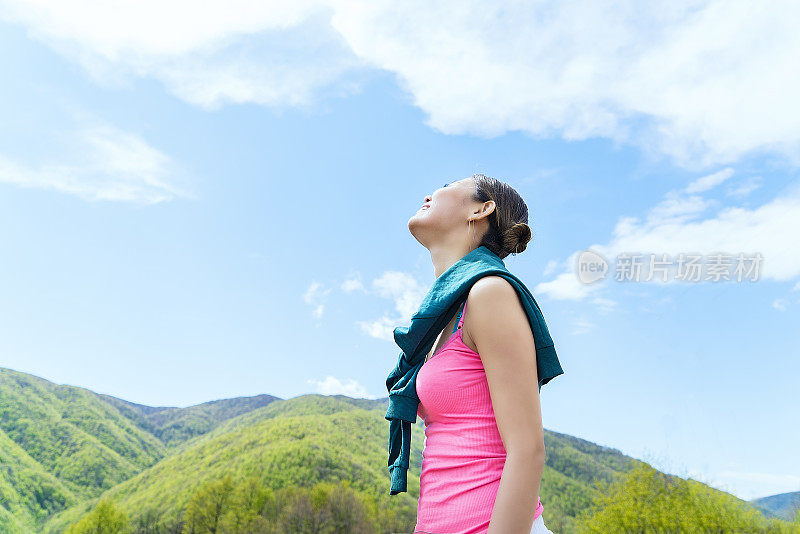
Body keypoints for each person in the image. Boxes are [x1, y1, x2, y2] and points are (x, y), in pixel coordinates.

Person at [408, 173, 555, 534]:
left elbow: (527, 449)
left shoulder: (490, 293)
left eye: (445, 185)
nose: (429, 193)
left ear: (481, 209)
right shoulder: (449, 316)